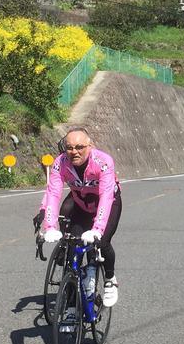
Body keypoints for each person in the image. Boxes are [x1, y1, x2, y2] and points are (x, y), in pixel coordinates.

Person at [38, 126, 122, 307]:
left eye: (79, 147)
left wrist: (97, 229)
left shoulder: (103, 161)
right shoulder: (60, 163)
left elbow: (106, 196)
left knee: (102, 242)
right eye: (69, 147)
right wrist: (50, 226)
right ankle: (71, 302)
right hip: (82, 205)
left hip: (108, 203)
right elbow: (53, 193)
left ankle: (110, 279)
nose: (74, 152)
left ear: (89, 146)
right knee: (73, 245)